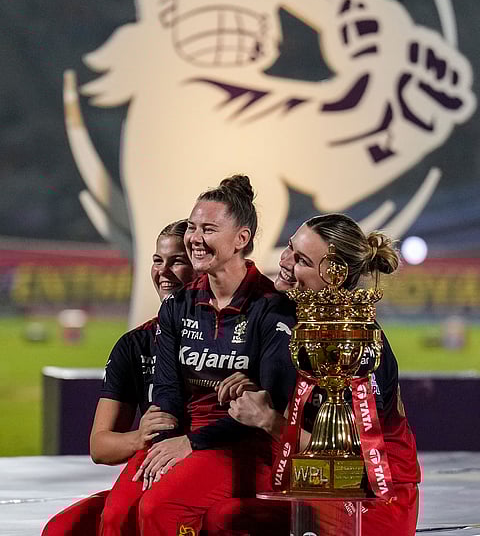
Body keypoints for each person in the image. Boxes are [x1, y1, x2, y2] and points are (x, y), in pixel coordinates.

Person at [209, 214, 420, 536]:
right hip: (311, 478)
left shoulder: (356, 343)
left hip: (373, 494)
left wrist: (268, 420)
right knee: (224, 517)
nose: (285, 261)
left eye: (303, 260)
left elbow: (358, 462)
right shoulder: (290, 313)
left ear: (335, 274)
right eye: (290, 248)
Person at [121, 175, 298, 536]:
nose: (195, 239)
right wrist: (165, 439)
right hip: (184, 439)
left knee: (160, 508)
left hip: (244, 446)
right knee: (117, 516)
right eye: (192, 227)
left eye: (209, 229)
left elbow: (268, 404)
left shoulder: (272, 308)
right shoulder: (177, 305)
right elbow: (168, 389)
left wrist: (191, 444)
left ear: (241, 239)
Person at [41, 220, 195, 536]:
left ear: (204, 267)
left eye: (177, 261)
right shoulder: (135, 344)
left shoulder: (228, 338)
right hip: (152, 464)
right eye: (157, 260)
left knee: (127, 518)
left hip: (204, 460)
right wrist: (140, 437)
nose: (163, 272)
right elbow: (100, 445)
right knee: (61, 528)